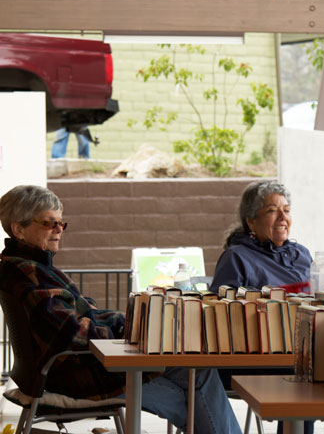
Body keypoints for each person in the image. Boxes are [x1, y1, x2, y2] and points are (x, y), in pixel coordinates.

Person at [0, 185, 242, 434]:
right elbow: (74, 333)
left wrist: (127, 322)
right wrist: (131, 331)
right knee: (194, 389)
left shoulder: (25, 268)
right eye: (51, 223)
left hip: (70, 370)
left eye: (62, 223)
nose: (59, 230)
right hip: (77, 376)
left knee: (194, 377)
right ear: (19, 229)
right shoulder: (29, 273)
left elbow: (84, 315)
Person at [211, 180, 324, 434]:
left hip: (305, 349)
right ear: (251, 221)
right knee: (310, 371)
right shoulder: (236, 257)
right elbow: (220, 316)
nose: (283, 217)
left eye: (287, 209)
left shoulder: (302, 254)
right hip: (256, 354)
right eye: (273, 210)